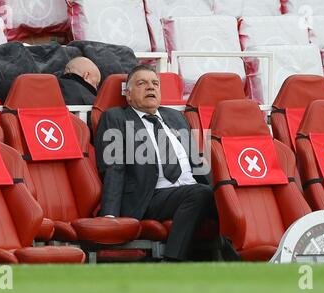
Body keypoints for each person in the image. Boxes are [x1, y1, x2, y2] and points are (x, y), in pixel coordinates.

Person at [95, 64, 240, 262]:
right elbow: (114, 166)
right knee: (200, 193)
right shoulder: (116, 117)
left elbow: (196, 160)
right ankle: (172, 261)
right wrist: (110, 215)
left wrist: (220, 189)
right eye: (142, 83)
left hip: (191, 190)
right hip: (151, 196)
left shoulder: (175, 117)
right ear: (128, 95)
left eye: (155, 83)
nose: (150, 87)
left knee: (230, 196)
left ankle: (246, 259)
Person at [0, 57, 101, 105]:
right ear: (86, 76)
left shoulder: (40, 86)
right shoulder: (95, 102)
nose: (96, 89)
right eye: (96, 83)